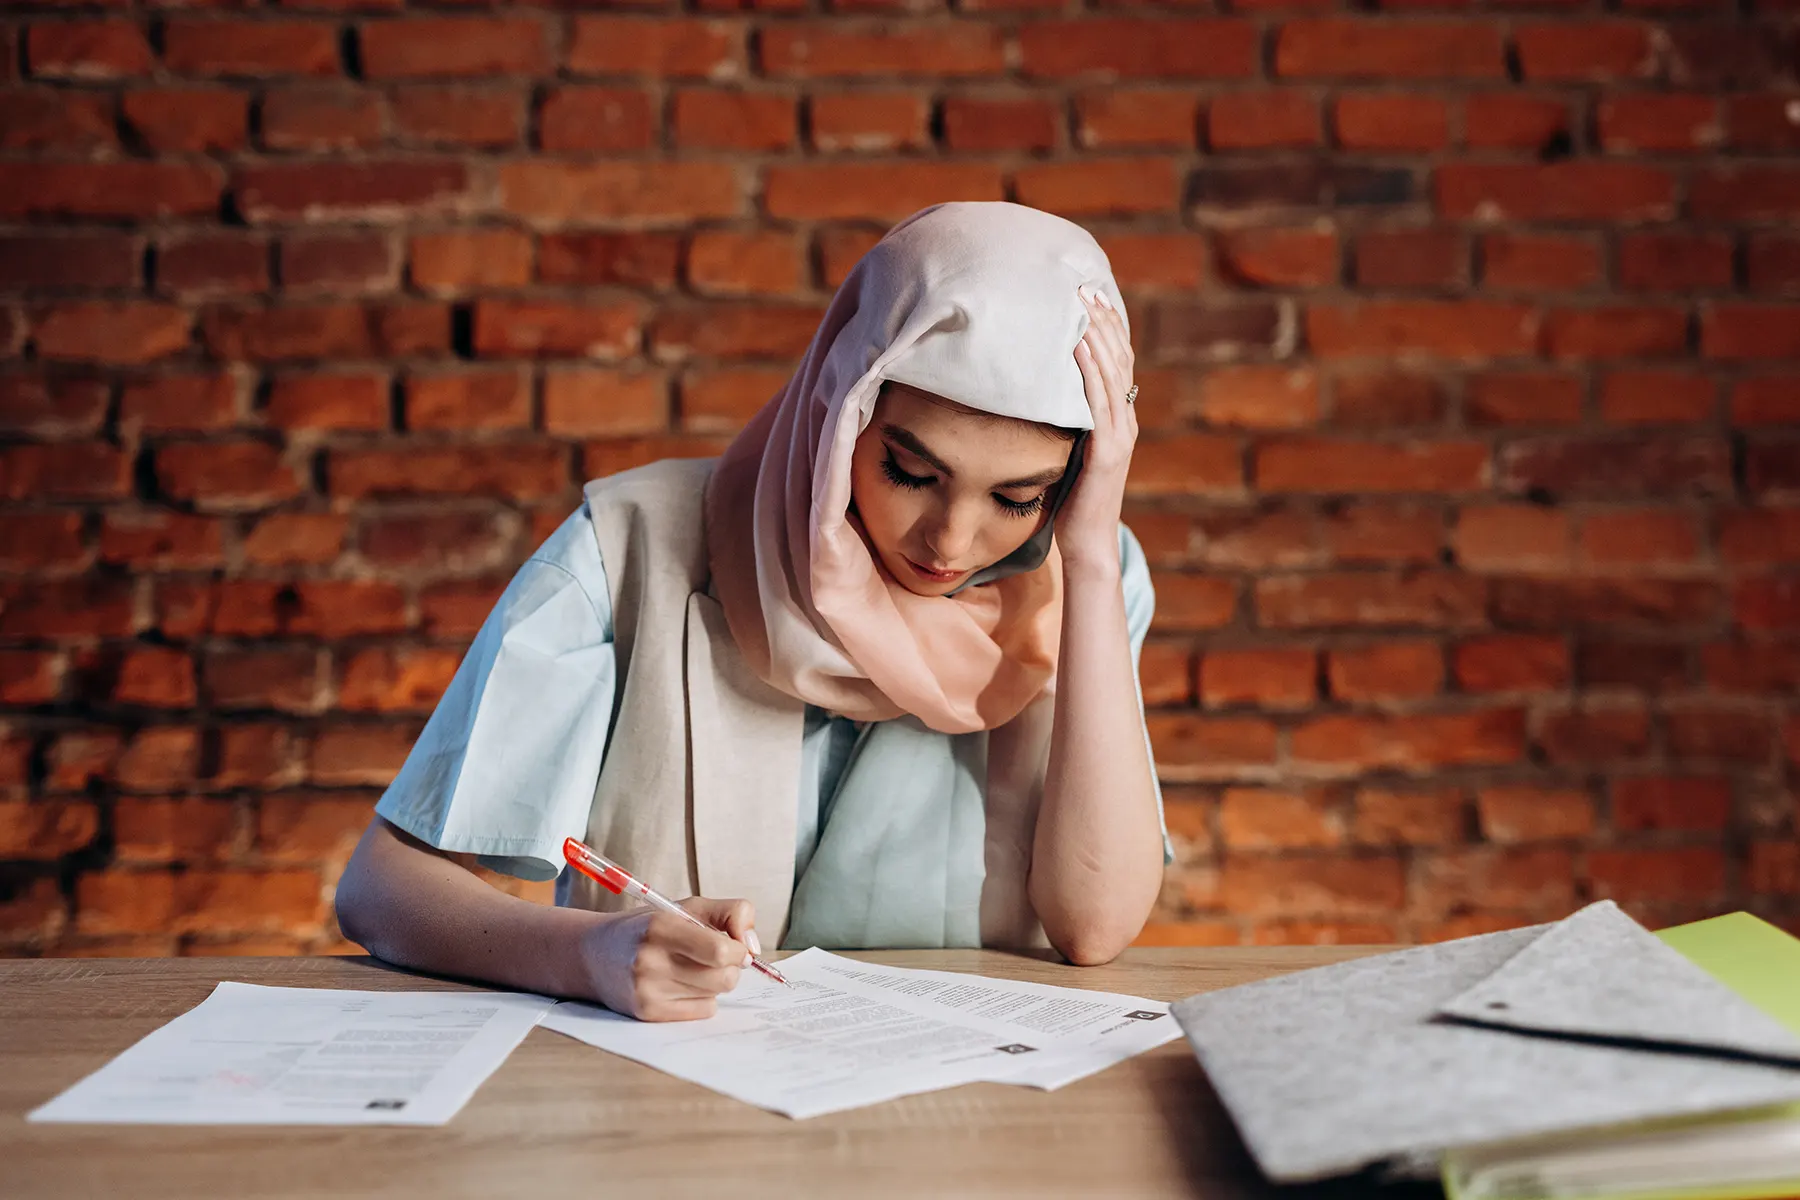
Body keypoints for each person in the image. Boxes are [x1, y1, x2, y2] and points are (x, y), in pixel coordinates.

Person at [335, 201, 1170, 1022]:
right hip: (660, 1119)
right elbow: (382, 888)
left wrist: (1091, 559)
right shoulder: (626, 545)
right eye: (911, 473)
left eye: (1018, 498)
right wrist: (584, 955)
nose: (952, 540)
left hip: (956, 1130)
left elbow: (1094, 926)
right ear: (837, 406)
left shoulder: (1081, 580)